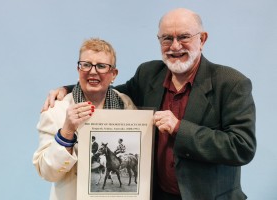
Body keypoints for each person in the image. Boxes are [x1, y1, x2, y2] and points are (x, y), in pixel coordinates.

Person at [41, 8, 256, 200]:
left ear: (203, 39)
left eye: (184, 37)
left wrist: (179, 128)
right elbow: (109, 90)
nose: (175, 46)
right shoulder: (148, 74)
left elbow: (242, 147)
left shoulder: (232, 83)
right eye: (166, 38)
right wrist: (67, 89)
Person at [33, 38, 136, 200]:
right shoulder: (56, 110)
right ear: (78, 69)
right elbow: (47, 173)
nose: (93, 71)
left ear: (113, 74)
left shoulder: (126, 105)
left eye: (101, 66)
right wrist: (67, 131)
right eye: (86, 65)